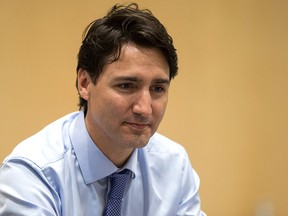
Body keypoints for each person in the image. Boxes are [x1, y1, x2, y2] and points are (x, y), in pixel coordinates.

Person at [0, 3, 206, 216]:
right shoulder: (32, 173)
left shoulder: (174, 165)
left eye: (157, 89)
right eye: (126, 86)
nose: (144, 109)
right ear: (85, 83)